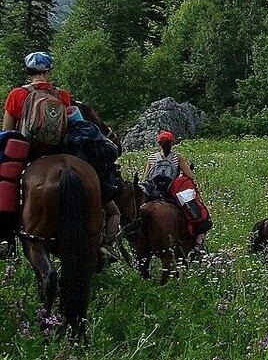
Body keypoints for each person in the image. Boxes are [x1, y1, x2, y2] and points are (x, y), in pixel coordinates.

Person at [3, 52, 121, 247]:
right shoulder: (62, 95)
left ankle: (5, 237)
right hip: (61, 151)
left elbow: (7, 132)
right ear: (49, 71)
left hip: (29, 153)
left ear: (28, 72)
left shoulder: (16, 95)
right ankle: (105, 239)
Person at [145, 130, 208, 252]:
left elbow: (146, 177)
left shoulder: (151, 158)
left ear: (158, 143)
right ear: (172, 143)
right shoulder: (177, 157)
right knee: (198, 213)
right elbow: (190, 176)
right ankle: (198, 243)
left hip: (154, 195)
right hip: (171, 194)